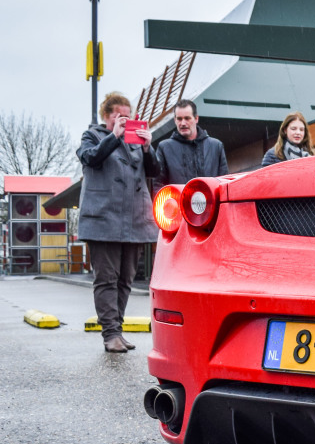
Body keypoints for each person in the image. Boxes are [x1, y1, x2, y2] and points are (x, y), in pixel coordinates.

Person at [76, 92, 157, 353]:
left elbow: (153, 171)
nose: (125, 119)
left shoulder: (135, 141)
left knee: (125, 279)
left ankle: (118, 331)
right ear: (107, 116)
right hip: (103, 220)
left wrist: (147, 147)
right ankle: (110, 334)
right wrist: (114, 137)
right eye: (119, 115)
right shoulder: (93, 136)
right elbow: (90, 158)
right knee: (106, 278)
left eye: (128, 115)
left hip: (133, 219)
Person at [154, 99, 228, 186]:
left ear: (196, 118)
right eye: (179, 119)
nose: (183, 123)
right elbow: (157, 185)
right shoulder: (164, 148)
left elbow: (225, 182)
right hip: (177, 199)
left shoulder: (216, 146)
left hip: (211, 199)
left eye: (187, 118)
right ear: (175, 120)